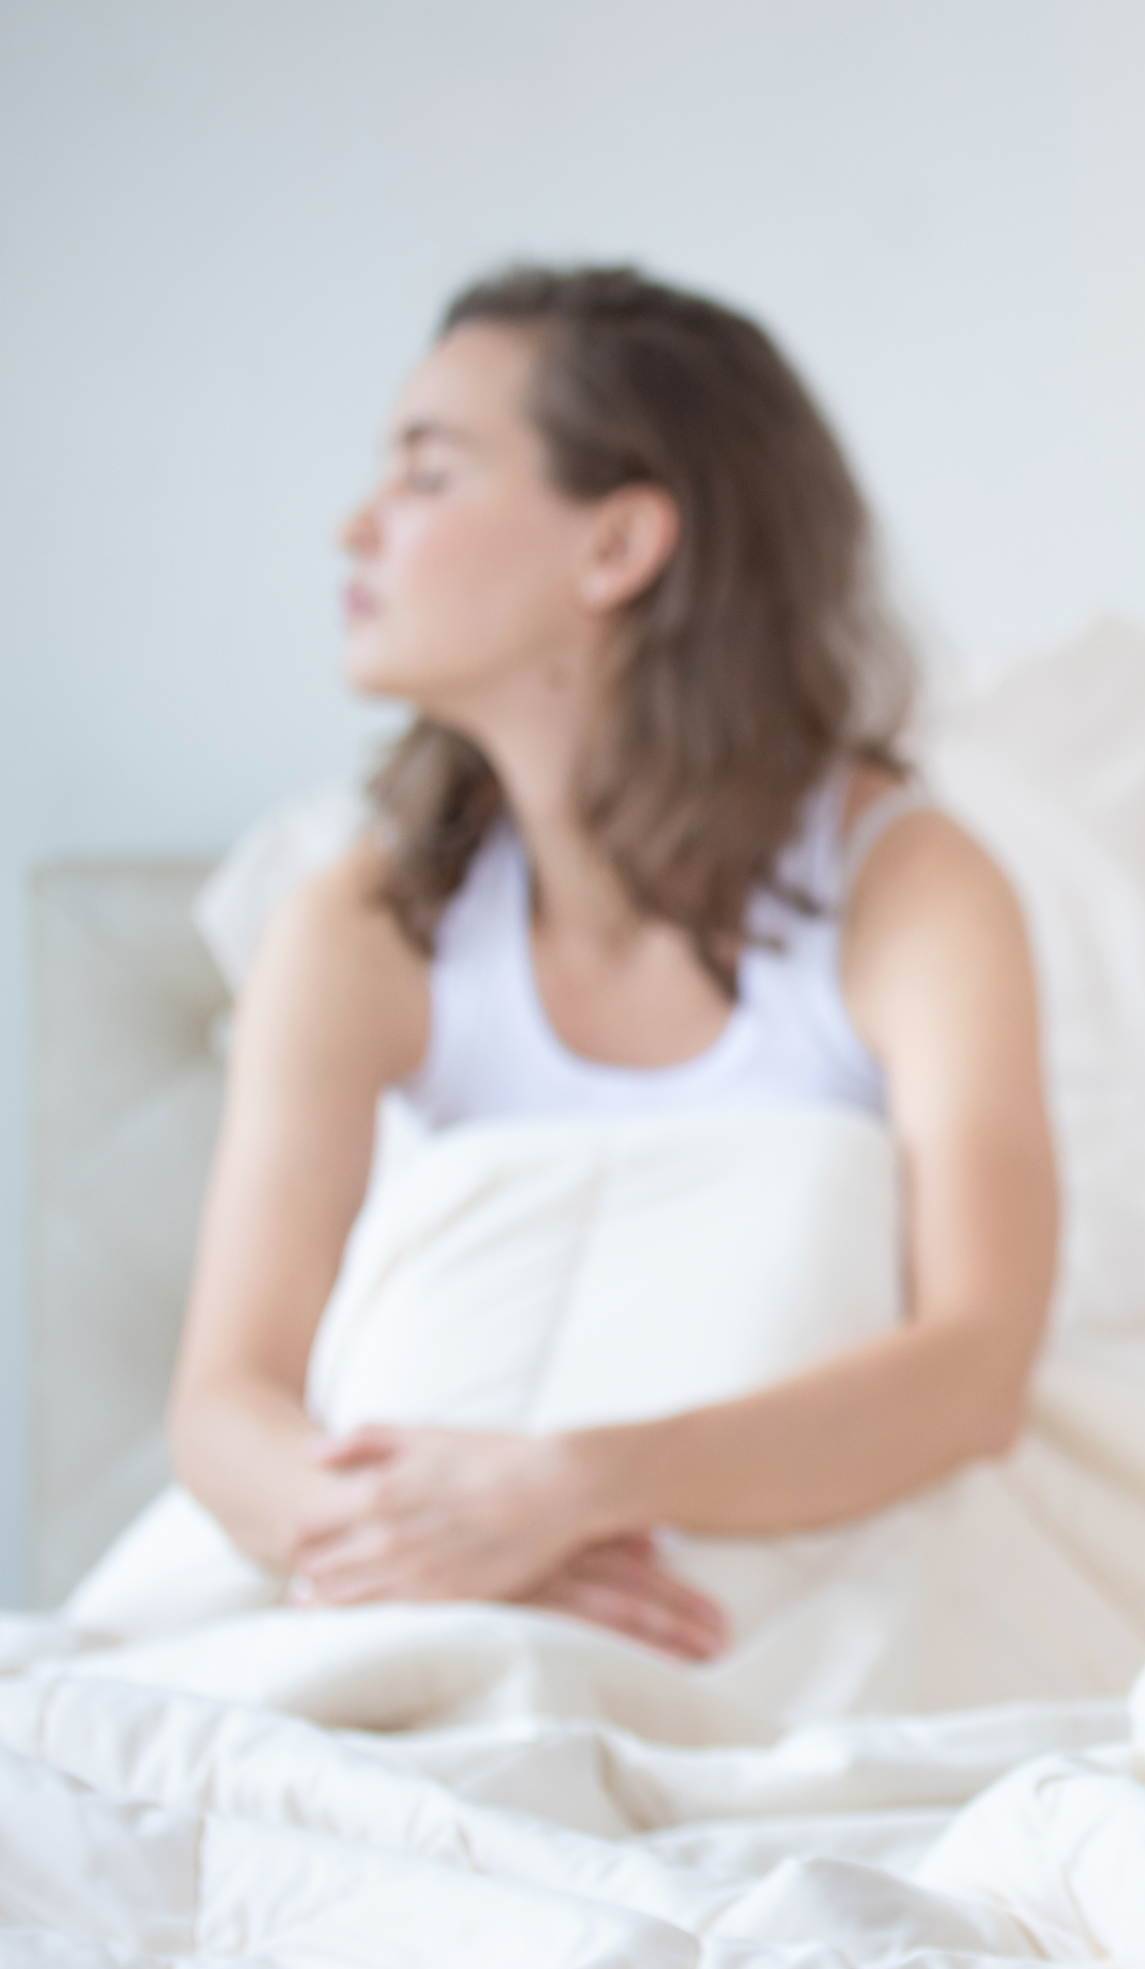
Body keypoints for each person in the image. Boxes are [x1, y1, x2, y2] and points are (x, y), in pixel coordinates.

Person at [164, 266, 1057, 1665]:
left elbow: (973, 1371)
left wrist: (568, 1493)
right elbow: (224, 1405)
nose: (358, 525)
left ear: (619, 543)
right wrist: (425, 1543)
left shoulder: (913, 888)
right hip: (426, 1573)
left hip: (795, 1574)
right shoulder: (359, 927)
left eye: (430, 473)